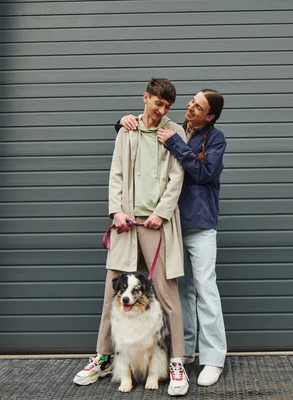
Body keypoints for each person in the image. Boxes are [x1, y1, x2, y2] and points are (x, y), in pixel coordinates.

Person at [73, 77, 189, 396]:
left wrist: (161, 213)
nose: (162, 110)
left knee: (167, 294)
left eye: (167, 106)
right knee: (113, 294)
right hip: (126, 223)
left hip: (157, 223)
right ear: (146, 98)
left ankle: (177, 362)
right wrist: (116, 212)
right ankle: (103, 357)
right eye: (158, 103)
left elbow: (178, 177)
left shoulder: (174, 131)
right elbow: (117, 174)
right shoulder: (127, 130)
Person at [117, 89, 227, 387]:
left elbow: (204, 173)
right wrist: (123, 121)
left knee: (205, 288)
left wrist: (176, 144)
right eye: (191, 102)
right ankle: (186, 350)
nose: (191, 107)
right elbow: (145, 130)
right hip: (169, 226)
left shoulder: (214, 139)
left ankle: (213, 358)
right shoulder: (174, 128)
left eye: (199, 106)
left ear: (210, 116)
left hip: (199, 225)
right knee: (182, 290)